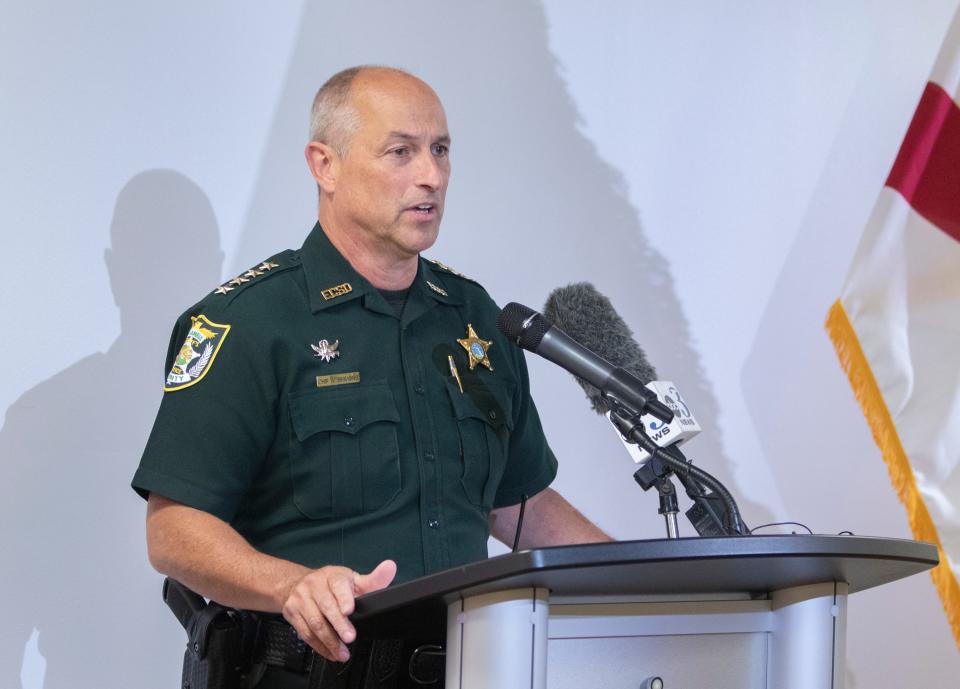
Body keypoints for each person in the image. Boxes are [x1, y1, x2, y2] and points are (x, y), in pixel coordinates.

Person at [133, 65, 608, 686]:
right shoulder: (248, 323)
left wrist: (656, 584)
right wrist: (292, 585)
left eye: (440, 150)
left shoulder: (476, 319)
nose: (431, 175)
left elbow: (518, 505)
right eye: (401, 151)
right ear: (324, 165)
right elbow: (173, 529)